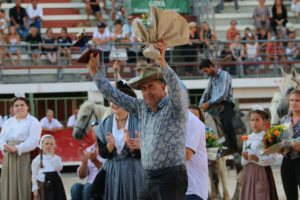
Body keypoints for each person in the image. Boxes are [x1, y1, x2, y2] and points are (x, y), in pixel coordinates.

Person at [87, 37, 188, 199]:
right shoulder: (142, 107)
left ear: (163, 87)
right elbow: (115, 95)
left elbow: (175, 87)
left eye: (151, 86)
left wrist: (161, 61)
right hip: (148, 176)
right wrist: (94, 72)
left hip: (171, 177)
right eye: (143, 88)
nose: (146, 92)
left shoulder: (175, 107)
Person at [92, 81, 144, 200]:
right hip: (112, 174)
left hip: (134, 173)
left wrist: (131, 146)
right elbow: (104, 154)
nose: (114, 103)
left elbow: (145, 154)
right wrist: (110, 145)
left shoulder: (141, 123)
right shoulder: (103, 126)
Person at [0, 93, 42, 200]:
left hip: (25, 155)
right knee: (9, 182)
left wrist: (18, 148)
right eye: (16, 105)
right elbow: (2, 138)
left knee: (24, 182)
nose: (19, 108)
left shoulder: (34, 122)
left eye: (22, 105)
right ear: (13, 108)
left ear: (27, 106)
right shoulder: (8, 122)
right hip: (9, 156)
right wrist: (4, 147)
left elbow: (33, 141)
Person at [198, 59, 240, 163]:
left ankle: (235, 151)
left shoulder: (225, 75)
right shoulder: (211, 79)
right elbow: (205, 93)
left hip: (226, 104)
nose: (206, 73)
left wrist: (209, 103)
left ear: (211, 66)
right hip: (213, 107)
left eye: (206, 71)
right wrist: (199, 106)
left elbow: (223, 94)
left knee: (227, 123)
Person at [240, 105, 278, 200]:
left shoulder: (268, 137)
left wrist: (258, 159)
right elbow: (243, 162)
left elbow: (273, 159)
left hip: (262, 173)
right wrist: (245, 158)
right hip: (248, 173)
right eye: (252, 120)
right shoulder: (247, 138)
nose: (254, 123)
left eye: (257, 120)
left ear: (264, 121)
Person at [71, 120, 103, 200]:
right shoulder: (89, 149)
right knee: (75, 187)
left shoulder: (109, 148)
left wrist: (95, 160)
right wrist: (84, 163)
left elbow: (106, 174)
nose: (96, 134)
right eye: (93, 132)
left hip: (103, 185)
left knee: (88, 188)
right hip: (90, 185)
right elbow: (82, 176)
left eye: (98, 131)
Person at [31, 135, 67, 200]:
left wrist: (53, 157)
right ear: (42, 145)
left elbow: (59, 168)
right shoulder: (36, 160)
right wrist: (35, 188)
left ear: (54, 145)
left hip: (56, 185)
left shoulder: (57, 158)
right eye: (47, 143)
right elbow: (34, 176)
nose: (49, 146)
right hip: (43, 186)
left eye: (51, 144)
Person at [280, 89, 300, 200]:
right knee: (290, 196)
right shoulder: (284, 120)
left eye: (297, 100)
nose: (293, 103)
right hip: (287, 161)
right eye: (291, 100)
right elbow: (281, 140)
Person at [185, 107, 209, 200]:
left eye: (195, 115)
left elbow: (187, 154)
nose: (193, 117)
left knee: (227, 121)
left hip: (194, 187)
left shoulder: (195, 124)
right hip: (182, 185)